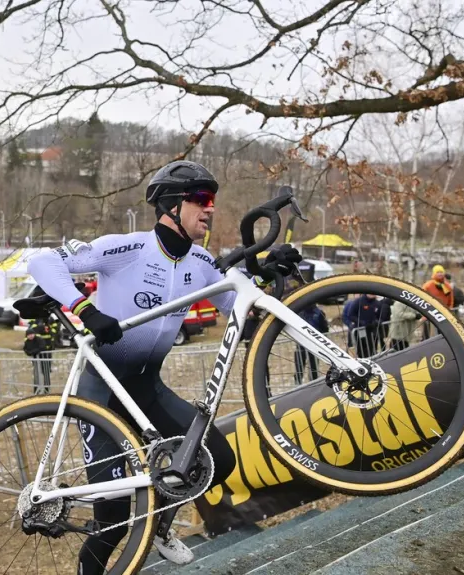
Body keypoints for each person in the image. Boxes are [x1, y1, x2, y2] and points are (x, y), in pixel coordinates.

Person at [27, 159, 300, 570]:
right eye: (201, 199)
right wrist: (84, 308)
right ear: (172, 204)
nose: (210, 208)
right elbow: (41, 261)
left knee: (215, 460)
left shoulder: (202, 263)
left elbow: (241, 309)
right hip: (103, 393)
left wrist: (269, 271)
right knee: (113, 518)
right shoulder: (127, 248)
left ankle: (159, 525)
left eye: (212, 200)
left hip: (146, 388)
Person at [292, 304, 329, 385]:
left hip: (314, 345)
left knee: (313, 367)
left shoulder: (319, 313)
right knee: (299, 367)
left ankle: (314, 384)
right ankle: (297, 384)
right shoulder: (299, 313)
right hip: (301, 344)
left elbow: (325, 328)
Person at [343, 294, 385, 358]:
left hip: (372, 332)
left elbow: (381, 317)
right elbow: (351, 315)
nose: (372, 294)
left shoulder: (378, 304)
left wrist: (376, 322)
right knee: (361, 351)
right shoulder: (358, 302)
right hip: (360, 331)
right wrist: (361, 322)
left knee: (372, 350)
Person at [23, 328, 49, 394]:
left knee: (45, 374)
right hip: (35, 361)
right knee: (36, 375)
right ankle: (36, 389)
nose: (31, 336)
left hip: (44, 359)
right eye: (29, 335)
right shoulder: (27, 342)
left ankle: (46, 389)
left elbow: (42, 347)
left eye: (32, 334)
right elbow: (25, 349)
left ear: (34, 334)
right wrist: (30, 353)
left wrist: (33, 352)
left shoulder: (39, 339)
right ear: (27, 336)